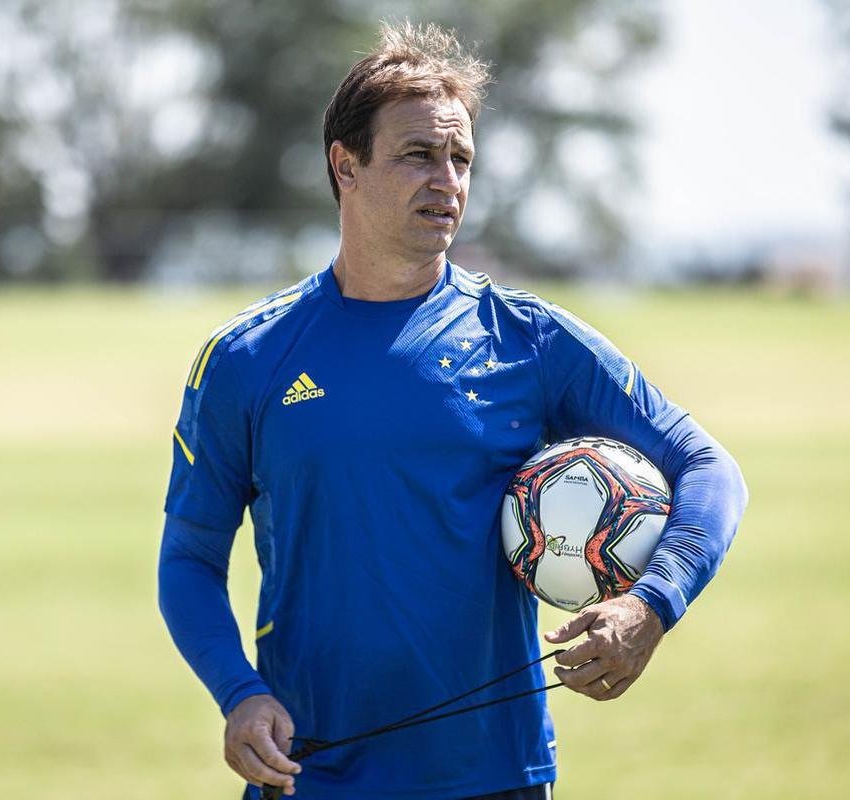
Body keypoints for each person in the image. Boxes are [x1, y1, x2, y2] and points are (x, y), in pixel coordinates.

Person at [159, 20, 747, 800]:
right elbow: (190, 558)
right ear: (346, 166)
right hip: (312, 774)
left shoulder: (528, 339)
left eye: (460, 158)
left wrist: (652, 603)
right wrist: (239, 693)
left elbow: (709, 467)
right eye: (417, 155)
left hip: (494, 775)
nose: (448, 181)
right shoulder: (245, 360)